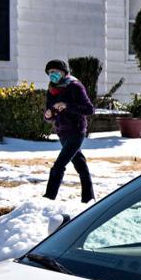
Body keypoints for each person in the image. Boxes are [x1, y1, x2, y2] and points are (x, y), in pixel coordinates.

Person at [42, 59, 96, 203]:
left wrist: (66, 105)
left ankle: (48, 198)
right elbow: (50, 113)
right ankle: (89, 198)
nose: (53, 75)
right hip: (62, 132)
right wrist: (48, 115)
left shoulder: (75, 86)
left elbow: (89, 109)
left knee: (58, 166)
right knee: (80, 164)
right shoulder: (52, 89)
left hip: (76, 131)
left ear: (64, 72)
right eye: (50, 72)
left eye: (56, 72)